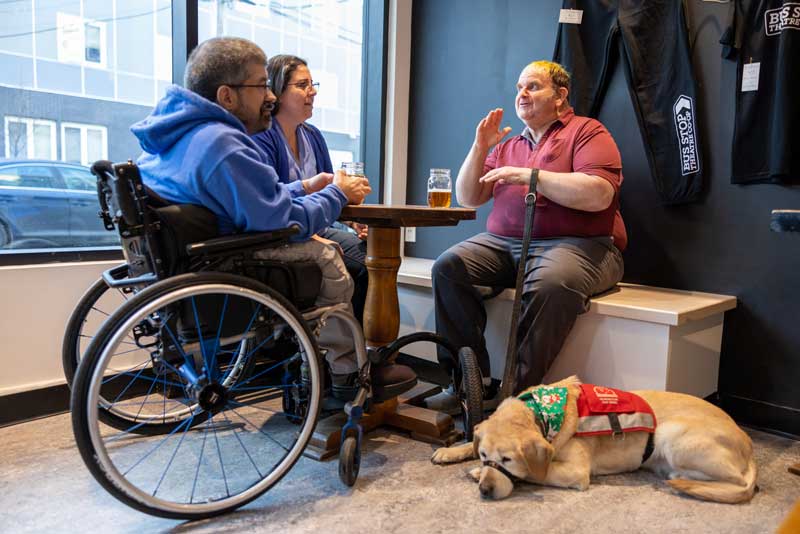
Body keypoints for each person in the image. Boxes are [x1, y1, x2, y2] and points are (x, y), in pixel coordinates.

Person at [130, 37, 413, 393]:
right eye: (261, 85)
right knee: (330, 257)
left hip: (190, 252)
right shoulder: (222, 144)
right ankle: (345, 374)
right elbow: (283, 223)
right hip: (224, 256)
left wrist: (305, 188)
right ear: (227, 96)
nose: (270, 96)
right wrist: (338, 194)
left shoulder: (177, 136)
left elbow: (253, 197)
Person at [426, 60, 626, 412]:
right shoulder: (508, 145)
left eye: (533, 86)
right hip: (504, 245)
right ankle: (470, 386)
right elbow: (468, 197)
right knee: (448, 266)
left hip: (581, 246)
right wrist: (480, 147)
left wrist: (531, 177)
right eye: (519, 87)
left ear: (560, 96)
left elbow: (599, 193)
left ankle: (517, 397)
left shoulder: (588, 131)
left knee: (552, 282)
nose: (522, 94)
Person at [251, 55, 369, 323]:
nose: (312, 91)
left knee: (371, 257)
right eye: (302, 85)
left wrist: (353, 221)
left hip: (316, 224)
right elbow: (273, 204)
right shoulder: (263, 137)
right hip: (287, 229)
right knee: (363, 266)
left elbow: (331, 191)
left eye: (312, 84)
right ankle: (345, 349)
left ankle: (364, 349)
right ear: (278, 92)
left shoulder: (313, 135)